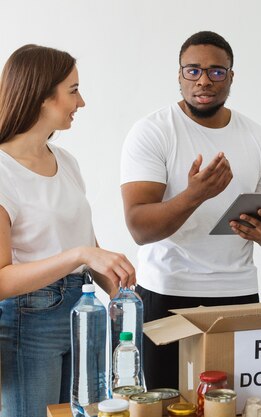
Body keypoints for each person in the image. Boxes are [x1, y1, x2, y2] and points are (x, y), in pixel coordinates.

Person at [120, 31, 261, 389]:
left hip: (239, 293)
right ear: (179, 75)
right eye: (193, 71)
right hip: (167, 292)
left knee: (236, 403)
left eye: (216, 72)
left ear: (230, 77)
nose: (204, 81)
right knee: (166, 403)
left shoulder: (258, 137)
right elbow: (139, 226)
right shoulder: (152, 132)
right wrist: (195, 195)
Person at [0, 45, 136, 417]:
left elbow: (87, 247)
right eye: (73, 90)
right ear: (43, 95)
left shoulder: (67, 162)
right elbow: (2, 279)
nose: (83, 102)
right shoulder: (2, 171)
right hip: (29, 321)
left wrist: (121, 292)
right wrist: (80, 255)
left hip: (83, 312)